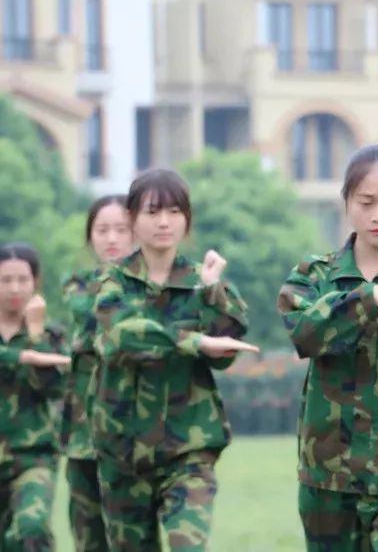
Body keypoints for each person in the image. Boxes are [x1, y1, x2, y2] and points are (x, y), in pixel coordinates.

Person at [278, 145, 378, 551]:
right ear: (347, 202)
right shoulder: (313, 275)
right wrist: (369, 300)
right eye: (366, 202)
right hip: (328, 481)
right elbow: (304, 332)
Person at [92, 168, 259, 551]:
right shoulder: (112, 282)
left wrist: (214, 291)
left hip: (189, 446)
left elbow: (228, 346)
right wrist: (192, 341)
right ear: (133, 220)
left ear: (187, 219)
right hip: (123, 447)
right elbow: (123, 335)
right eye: (152, 212)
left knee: (189, 545)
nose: (163, 222)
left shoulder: (203, 280)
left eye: (173, 211)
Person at [0, 243, 70, 551]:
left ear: (36, 283)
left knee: (31, 530)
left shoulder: (52, 335)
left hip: (33, 455)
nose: (15, 288)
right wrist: (23, 356)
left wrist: (35, 337)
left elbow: (56, 388)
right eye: (5, 280)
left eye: (23, 279)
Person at [61, 195, 131, 551]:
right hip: (84, 436)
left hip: (135, 435)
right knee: (88, 537)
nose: (112, 238)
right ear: (90, 237)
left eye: (122, 229)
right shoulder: (79, 287)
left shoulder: (156, 288)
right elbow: (96, 319)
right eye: (102, 230)